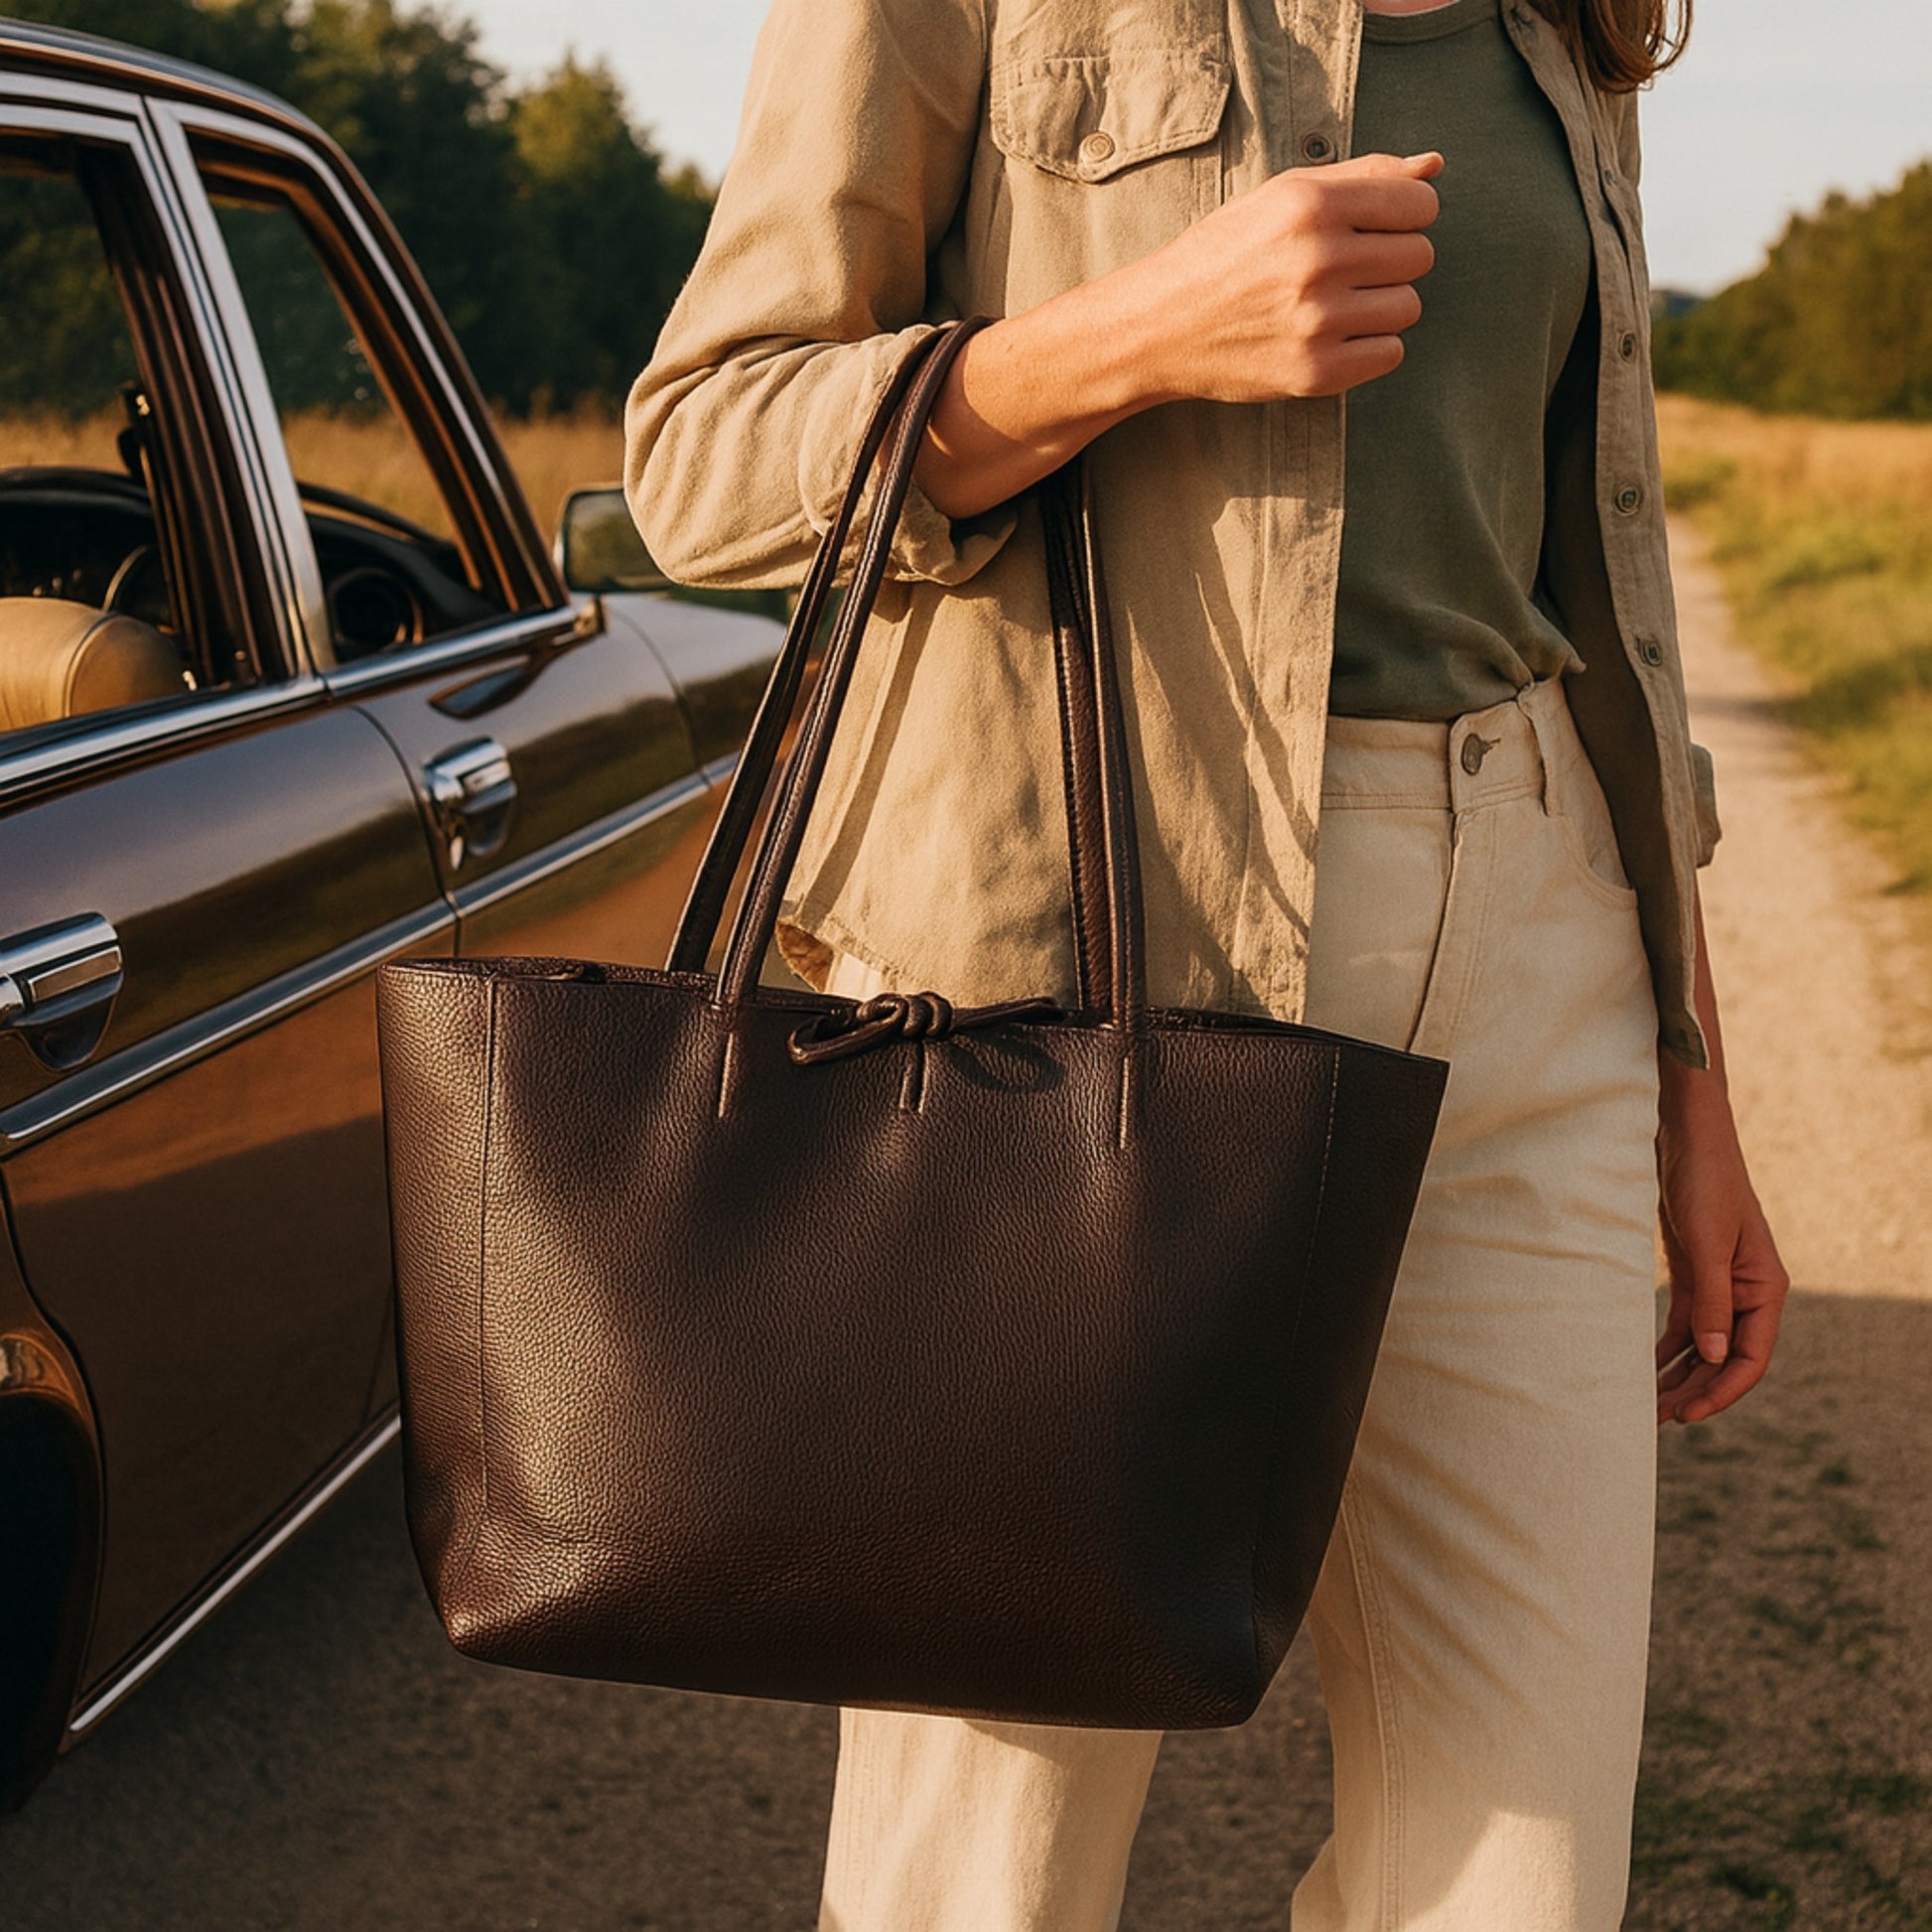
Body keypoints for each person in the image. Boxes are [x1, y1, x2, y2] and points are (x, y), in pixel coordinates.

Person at [624, 0, 1790, 1924]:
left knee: (1524, 1876)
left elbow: (1601, 567)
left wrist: (1689, 1069)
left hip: (1534, 950)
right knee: (984, 1871)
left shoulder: (1569, 21)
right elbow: (702, 455)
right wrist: (1135, 335)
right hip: (1077, 962)